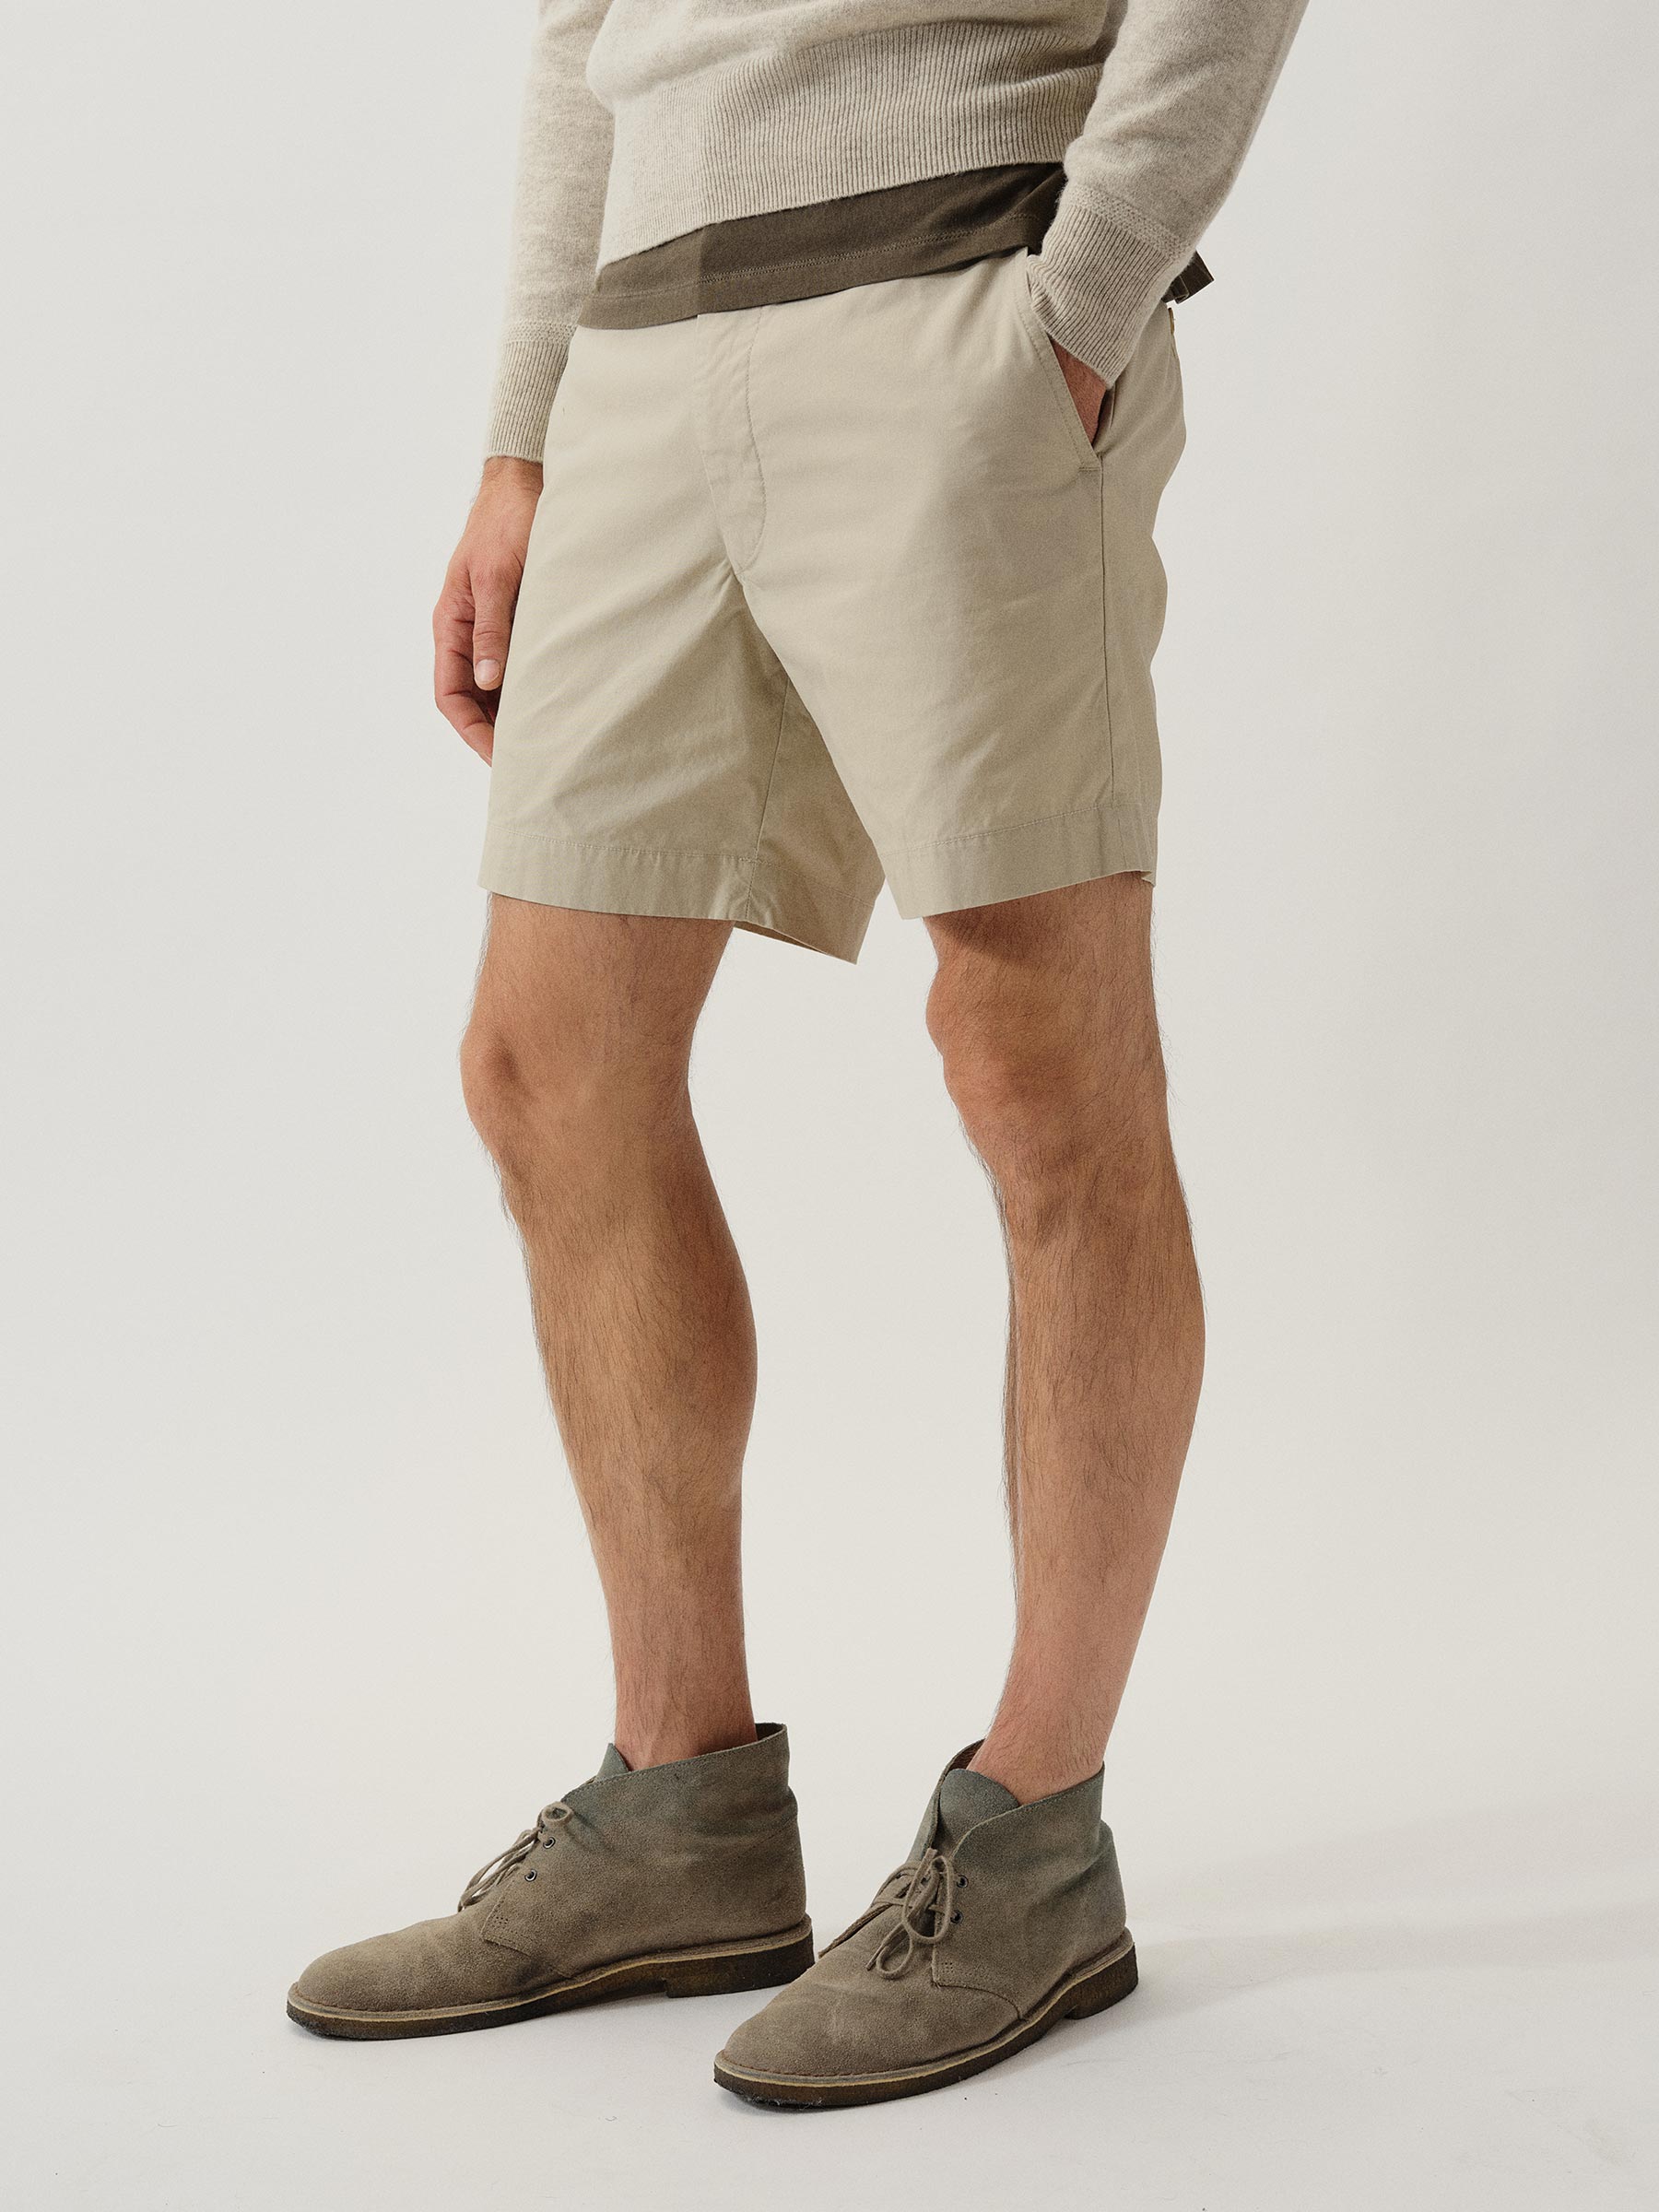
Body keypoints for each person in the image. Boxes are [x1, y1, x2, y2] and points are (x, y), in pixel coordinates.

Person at [288, 0, 1308, 2106]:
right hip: (643, 346)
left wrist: (1088, 299)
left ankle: (1035, 1839)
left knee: (1042, 1067)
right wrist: (525, 427)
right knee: (544, 1063)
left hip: (961, 281)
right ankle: (682, 1814)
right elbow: (583, 23)